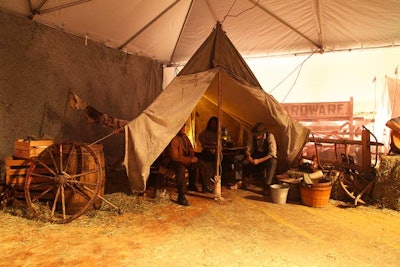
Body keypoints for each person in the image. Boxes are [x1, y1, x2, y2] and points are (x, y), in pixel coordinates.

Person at [168, 125, 213, 206]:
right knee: (180, 169)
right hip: (174, 161)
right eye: (182, 127)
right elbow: (174, 157)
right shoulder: (173, 139)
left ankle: (203, 186)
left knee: (202, 163)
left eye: (184, 127)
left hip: (185, 159)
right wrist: (189, 159)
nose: (184, 129)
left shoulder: (184, 137)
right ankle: (181, 195)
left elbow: (190, 147)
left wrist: (192, 156)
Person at [245, 122, 278, 195]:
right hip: (256, 155)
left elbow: (272, 154)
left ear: (263, 133)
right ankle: (241, 181)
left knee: (273, 162)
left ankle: (267, 186)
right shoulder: (252, 136)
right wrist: (249, 156)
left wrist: (258, 161)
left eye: (258, 135)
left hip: (266, 157)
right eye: (256, 135)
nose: (257, 137)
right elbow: (248, 148)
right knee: (239, 159)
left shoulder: (270, 136)